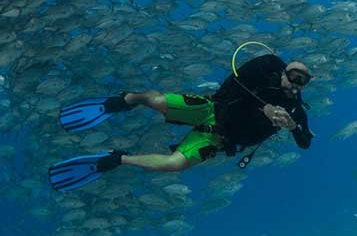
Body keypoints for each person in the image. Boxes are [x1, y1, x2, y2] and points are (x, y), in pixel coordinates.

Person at [49, 54, 314, 192]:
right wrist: (264, 107)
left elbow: (305, 142)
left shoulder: (294, 109)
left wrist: (292, 126)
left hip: (218, 139)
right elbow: (234, 85)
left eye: (303, 82)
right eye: (294, 77)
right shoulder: (264, 70)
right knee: (157, 101)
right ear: (283, 72)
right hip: (211, 109)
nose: (296, 85)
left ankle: (117, 159)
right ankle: (127, 99)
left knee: (172, 165)